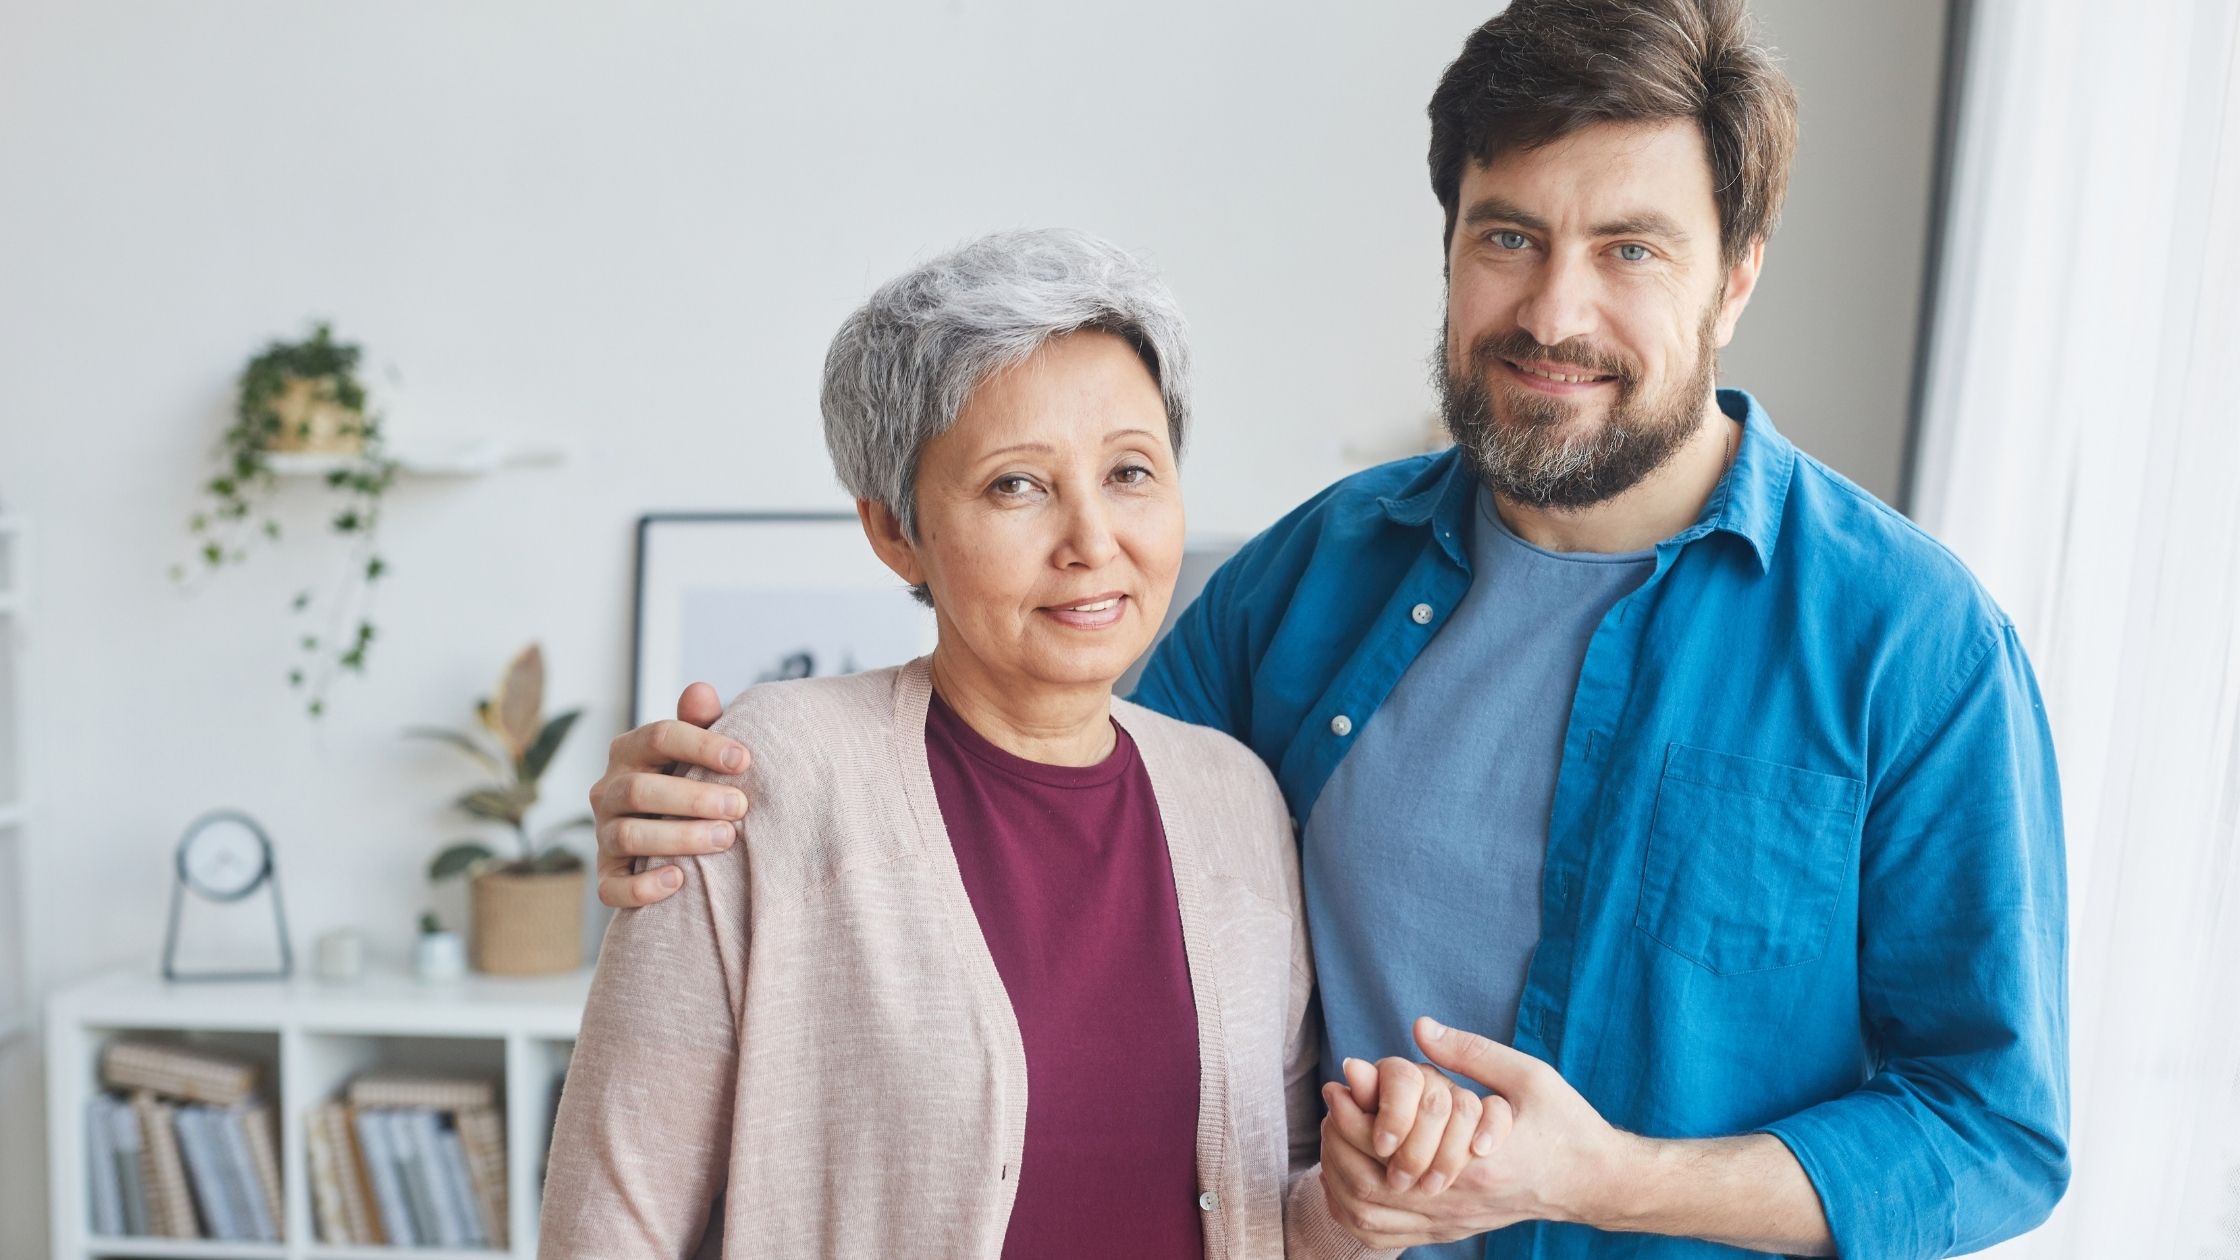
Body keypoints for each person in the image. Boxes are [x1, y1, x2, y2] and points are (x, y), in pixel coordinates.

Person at [588, 3, 2069, 1256]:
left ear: (1737, 275)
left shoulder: (1910, 645)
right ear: (1449, 246)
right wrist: (712, 825)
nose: (1554, 310)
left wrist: (1600, 1173)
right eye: (1509, 235)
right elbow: (1047, 793)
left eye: (1632, 249)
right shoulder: (1311, 580)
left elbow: (1991, 1127)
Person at [540, 228, 1485, 1259]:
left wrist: (1355, 1202)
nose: (1091, 541)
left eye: (1129, 471)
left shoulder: (1236, 802)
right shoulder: (765, 780)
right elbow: (609, 1222)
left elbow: (1271, 1210)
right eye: (1015, 486)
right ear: (893, 530)